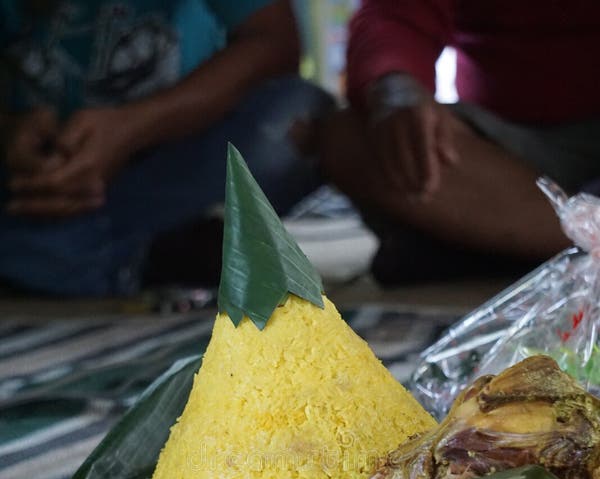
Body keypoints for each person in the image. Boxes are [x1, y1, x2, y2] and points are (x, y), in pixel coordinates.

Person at [0, 0, 334, 297]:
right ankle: (139, 257)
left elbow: (273, 42)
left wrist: (131, 129)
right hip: (30, 187)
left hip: (169, 167)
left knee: (295, 120)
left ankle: (61, 258)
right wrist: (11, 131)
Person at [318, 1, 600, 285]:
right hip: (494, 150)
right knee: (348, 138)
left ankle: (486, 247)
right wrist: (397, 88)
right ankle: (576, 239)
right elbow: (394, 13)